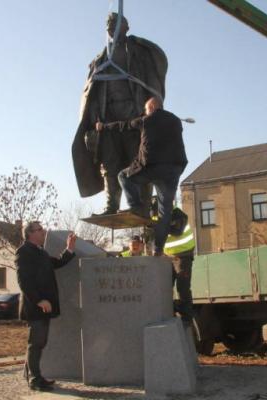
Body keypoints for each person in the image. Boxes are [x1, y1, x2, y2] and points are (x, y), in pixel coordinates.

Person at [72, 12, 168, 215]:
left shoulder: (139, 52)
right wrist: (92, 122)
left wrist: (154, 108)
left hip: (135, 119)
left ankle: (141, 206)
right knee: (109, 165)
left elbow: (153, 81)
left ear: (125, 27)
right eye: (108, 24)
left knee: (139, 163)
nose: (110, 26)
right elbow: (92, 94)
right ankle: (111, 206)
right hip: (107, 123)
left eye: (115, 23)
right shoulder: (100, 60)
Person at [118, 96, 188, 256]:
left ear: (152, 108)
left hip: (153, 167)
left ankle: (136, 207)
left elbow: (125, 125)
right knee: (165, 212)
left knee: (123, 176)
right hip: (172, 170)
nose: (145, 113)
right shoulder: (176, 121)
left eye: (146, 110)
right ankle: (158, 249)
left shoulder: (147, 120)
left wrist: (104, 126)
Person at [16, 222, 77, 391]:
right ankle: (35, 379)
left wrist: (69, 248)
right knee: (36, 343)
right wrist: (39, 300)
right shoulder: (24, 252)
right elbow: (24, 281)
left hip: (44, 307)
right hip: (36, 307)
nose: (43, 232)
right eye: (40, 230)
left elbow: (56, 263)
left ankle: (32, 375)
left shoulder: (40, 252)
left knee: (39, 343)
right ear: (30, 233)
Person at [163, 207, 195, 324]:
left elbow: (178, 231)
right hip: (167, 257)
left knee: (182, 287)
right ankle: (169, 312)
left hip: (182, 256)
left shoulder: (177, 214)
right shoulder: (158, 216)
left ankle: (186, 317)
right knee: (165, 288)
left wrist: (160, 226)